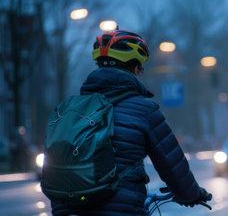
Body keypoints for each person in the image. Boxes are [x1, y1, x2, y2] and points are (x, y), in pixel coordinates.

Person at [50, 29, 212, 215]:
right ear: (135, 69)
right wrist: (191, 194)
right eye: (141, 69)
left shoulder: (68, 110)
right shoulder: (144, 110)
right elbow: (172, 165)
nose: (141, 74)